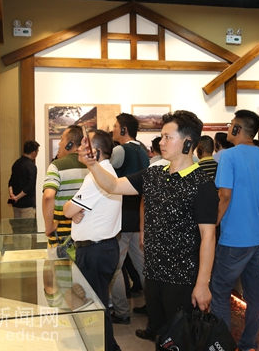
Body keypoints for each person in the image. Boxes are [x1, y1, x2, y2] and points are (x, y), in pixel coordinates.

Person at [77, 110, 218, 342]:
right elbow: (113, 185)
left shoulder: (202, 183)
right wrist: (92, 164)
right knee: (161, 338)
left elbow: (208, 236)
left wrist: (203, 284)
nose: (161, 142)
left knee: (182, 341)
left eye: (168, 137)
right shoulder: (154, 175)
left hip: (183, 280)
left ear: (187, 142)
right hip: (153, 276)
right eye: (161, 136)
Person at [210, 110, 259, 351]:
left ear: (237, 128)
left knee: (219, 291)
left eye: (231, 124)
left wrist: (212, 225)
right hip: (257, 237)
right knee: (253, 293)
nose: (229, 128)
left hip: (234, 238)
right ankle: (248, 343)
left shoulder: (229, 156)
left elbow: (225, 195)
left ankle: (222, 345)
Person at [62, 129, 122, 351]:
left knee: (95, 308)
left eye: (84, 145)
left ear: (95, 152)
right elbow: (73, 211)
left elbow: (68, 210)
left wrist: (72, 211)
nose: (78, 148)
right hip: (100, 249)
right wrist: (74, 212)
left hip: (95, 251)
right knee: (95, 305)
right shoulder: (103, 174)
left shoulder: (98, 177)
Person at [109, 113, 150, 325]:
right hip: (139, 215)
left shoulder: (119, 150)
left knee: (115, 267)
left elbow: (108, 179)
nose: (113, 130)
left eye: (116, 126)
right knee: (142, 264)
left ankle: (121, 311)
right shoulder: (142, 150)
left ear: (124, 129)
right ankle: (153, 306)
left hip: (123, 216)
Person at [42, 125, 88, 258]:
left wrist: (49, 227)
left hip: (61, 240)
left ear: (70, 144)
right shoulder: (92, 166)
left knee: (60, 271)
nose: (59, 143)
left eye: (62, 139)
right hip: (85, 237)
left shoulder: (57, 166)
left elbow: (48, 197)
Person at [8, 140, 40, 218]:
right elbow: (29, 186)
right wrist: (16, 198)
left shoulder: (16, 163)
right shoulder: (31, 166)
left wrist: (12, 195)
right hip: (27, 205)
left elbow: (10, 182)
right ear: (33, 153)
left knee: (17, 225)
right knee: (27, 226)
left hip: (16, 205)